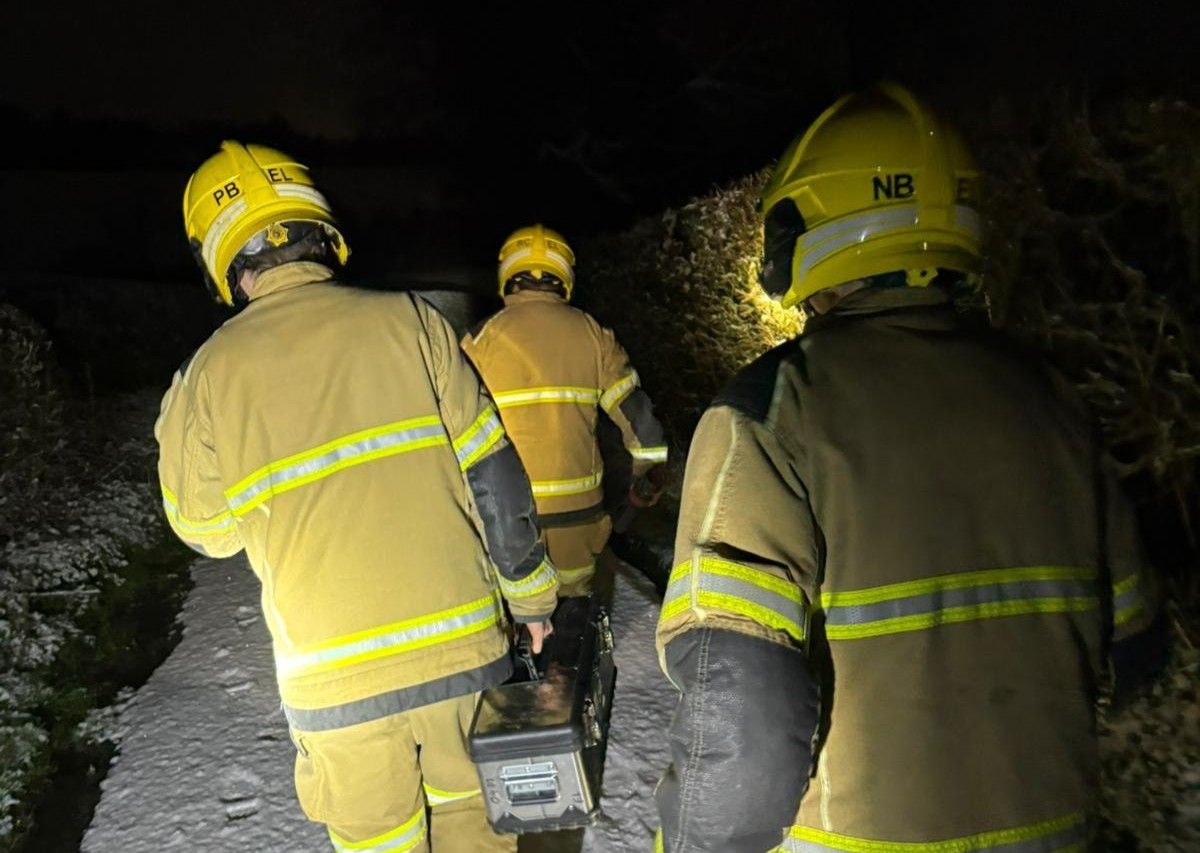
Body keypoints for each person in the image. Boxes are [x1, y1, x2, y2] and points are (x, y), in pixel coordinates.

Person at [654, 83, 1159, 852]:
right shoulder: (1052, 399)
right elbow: (1137, 652)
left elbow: (740, 724)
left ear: (815, 226)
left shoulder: (771, 410)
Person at [156, 141, 558, 853]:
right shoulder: (414, 322)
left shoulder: (204, 377)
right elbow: (496, 478)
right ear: (319, 228)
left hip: (333, 689)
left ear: (221, 260)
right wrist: (531, 605)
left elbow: (205, 529)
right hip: (464, 656)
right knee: (477, 830)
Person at [461, 224, 668, 598]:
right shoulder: (592, 334)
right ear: (564, 276)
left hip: (506, 519)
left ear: (508, 274)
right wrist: (647, 473)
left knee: (511, 609)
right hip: (579, 517)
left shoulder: (479, 341)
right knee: (573, 615)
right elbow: (639, 421)